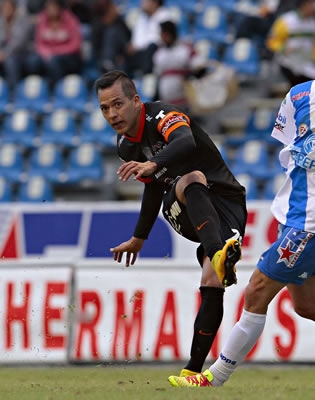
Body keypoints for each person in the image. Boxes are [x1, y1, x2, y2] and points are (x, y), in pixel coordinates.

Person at [169, 12, 315, 389]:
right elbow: (292, 153)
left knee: (257, 289)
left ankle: (214, 378)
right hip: (292, 214)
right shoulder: (298, 96)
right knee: (309, 305)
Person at [95, 70, 246, 377]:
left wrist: (154, 163)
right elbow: (153, 188)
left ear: (137, 101)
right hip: (185, 205)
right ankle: (218, 254)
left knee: (212, 282)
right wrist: (140, 237)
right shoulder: (126, 146)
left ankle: (192, 372)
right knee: (192, 179)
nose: (112, 114)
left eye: (118, 104)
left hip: (228, 205)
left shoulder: (163, 115)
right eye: (104, 108)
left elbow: (186, 140)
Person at [266, 0, 315, 87]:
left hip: (306, 62)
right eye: (312, 4)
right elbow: (271, 41)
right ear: (304, 5)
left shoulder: (314, 22)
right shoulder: (286, 20)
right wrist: (283, 48)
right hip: (287, 63)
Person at [152, 20, 206, 109]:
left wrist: (189, 77)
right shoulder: (159, 53)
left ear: (171, 34)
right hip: (166, 102)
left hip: (186, 102)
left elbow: (201, 69)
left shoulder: (185, 49)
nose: (162, 37)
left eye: (164, 34)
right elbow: (158, 77)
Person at [0, 0, 34, 89]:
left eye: (9, 8)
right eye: (4, 8)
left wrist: (4, 54)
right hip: (3, 54)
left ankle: (13, 92)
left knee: (10, 62)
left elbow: (18, 43)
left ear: (14, 9)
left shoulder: (23, 21)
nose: (6, 10)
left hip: (21, 54)